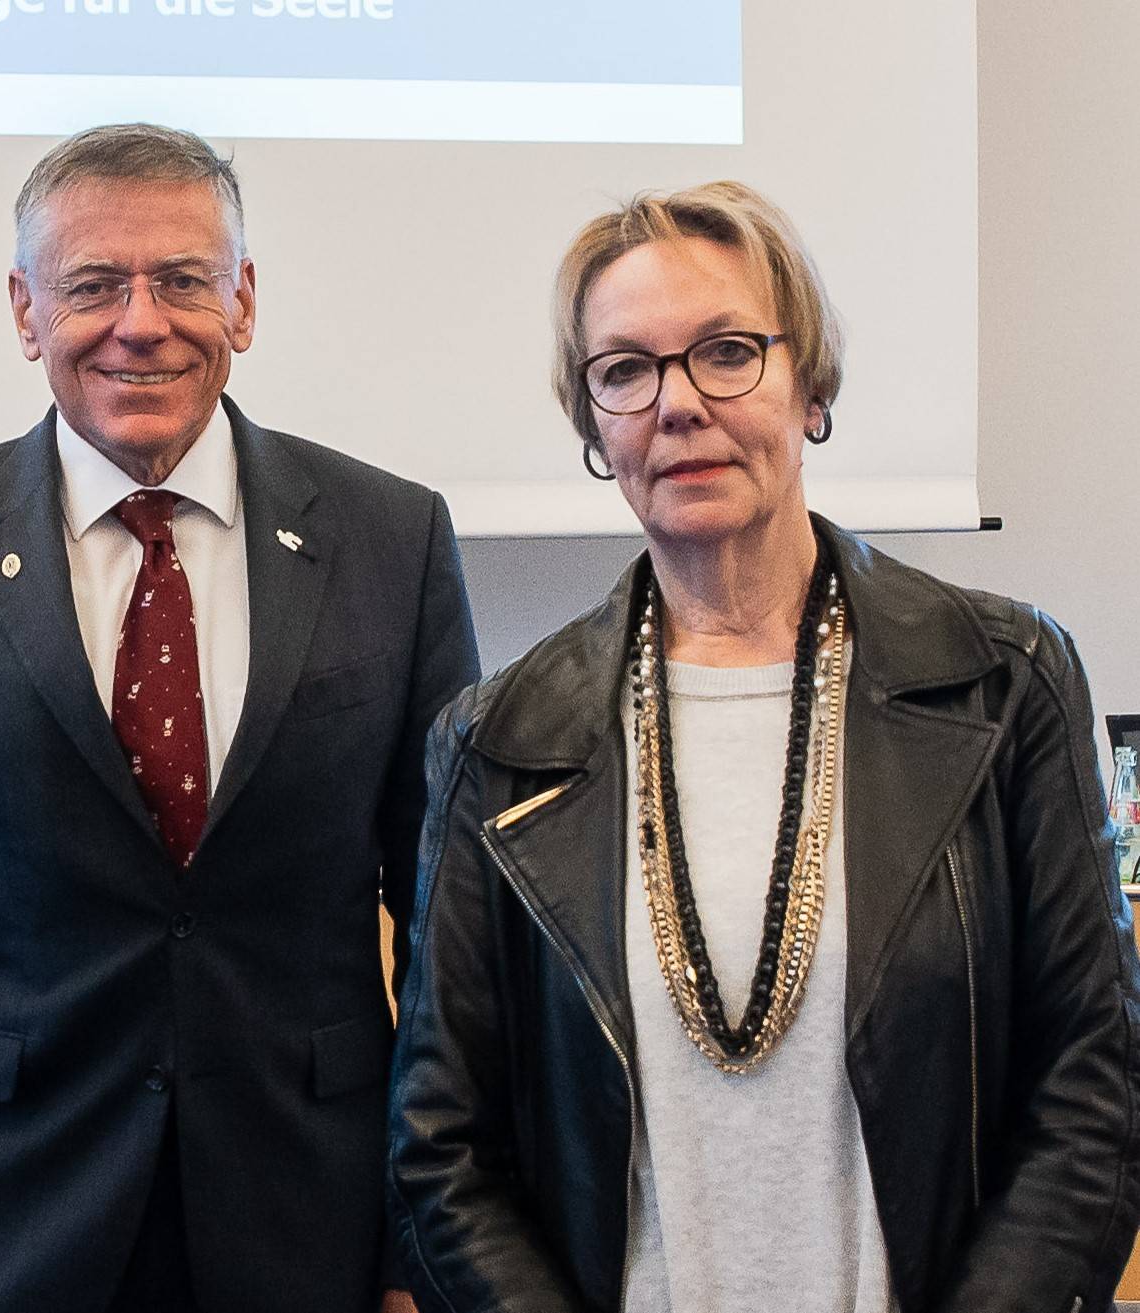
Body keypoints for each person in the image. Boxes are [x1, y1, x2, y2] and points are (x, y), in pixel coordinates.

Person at [386, 178, 1140, 1313]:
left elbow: (1097, 1079)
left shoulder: (1004, 679)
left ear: (811, 385)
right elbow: (441, 1146)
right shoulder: (498, 738)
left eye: (725, 351)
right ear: (593, 425)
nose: (676, 403)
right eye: (625, 370)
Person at [0, 122, 479, 1313]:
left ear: (244, 298)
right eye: (92, 285)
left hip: (302, 1219)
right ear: (25, 312)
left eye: (181, 279)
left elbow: (446, 940)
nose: (140, 321)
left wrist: (414, 1245)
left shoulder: (394, 539)